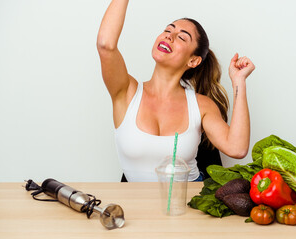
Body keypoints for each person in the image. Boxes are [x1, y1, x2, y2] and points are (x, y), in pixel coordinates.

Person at [97, 0, 255, 182]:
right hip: (136, 206)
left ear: (193, 61)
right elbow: (105, 45)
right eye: (167, 30)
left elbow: (237, 148)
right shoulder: (126, 92)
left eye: (182, 37)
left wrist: (239, 81)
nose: (169, 36)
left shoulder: (201, 105)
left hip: (187, 204)